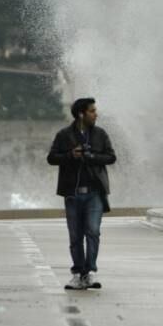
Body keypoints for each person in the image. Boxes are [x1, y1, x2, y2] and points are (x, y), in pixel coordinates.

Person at [47, 97, 117, 290]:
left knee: (93, 232)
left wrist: (91, 156)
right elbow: (51, 158)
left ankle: (90, 272)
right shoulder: (64, 135)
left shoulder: (101, 134)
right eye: (92, 111)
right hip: (72, 193)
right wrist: (71, 155)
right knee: (75, 236)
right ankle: (78, 274)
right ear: (81, 114)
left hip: (95, 193)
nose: (96, 114)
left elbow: (111, 157)